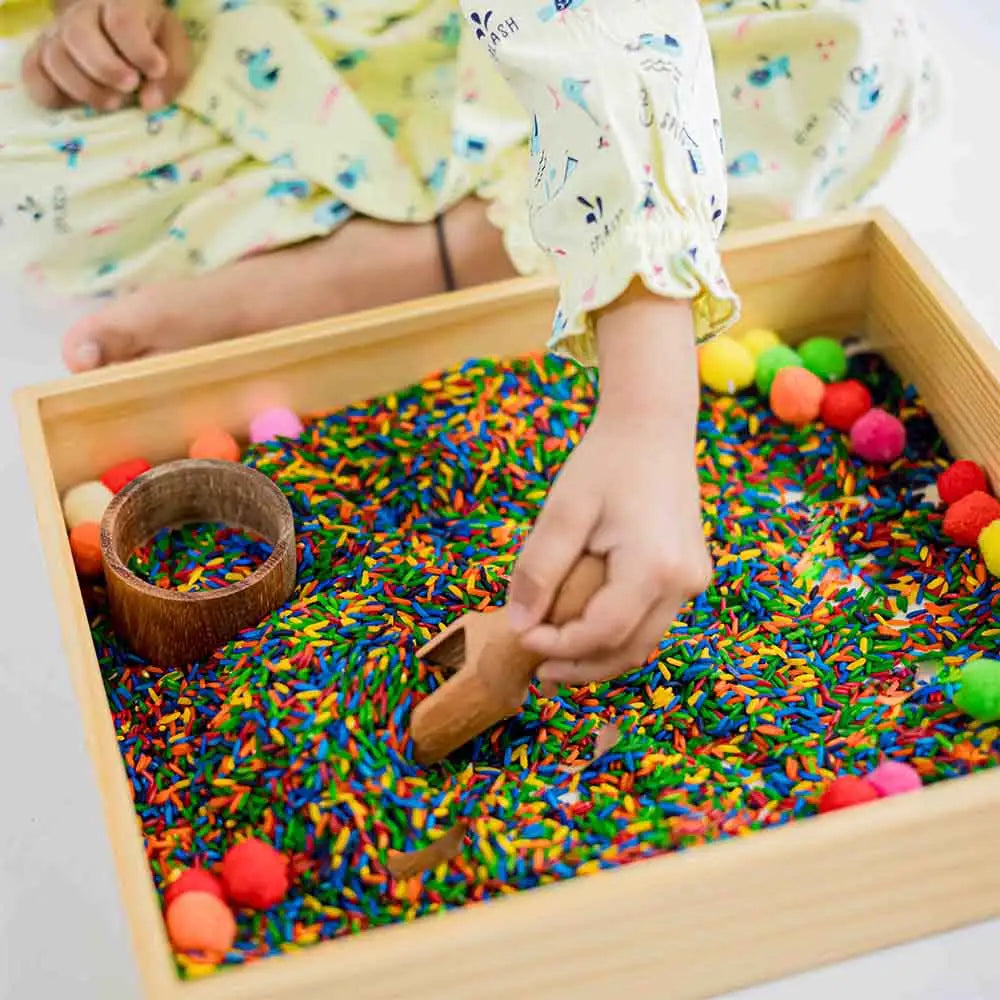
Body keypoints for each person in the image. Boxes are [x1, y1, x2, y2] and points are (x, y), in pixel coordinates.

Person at [0, 0, 938, 685]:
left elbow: (610, 31)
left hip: (612, 38)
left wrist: (651, 409)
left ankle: (438, 255)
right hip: (331, 47)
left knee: (865, 47)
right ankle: (457, 230)